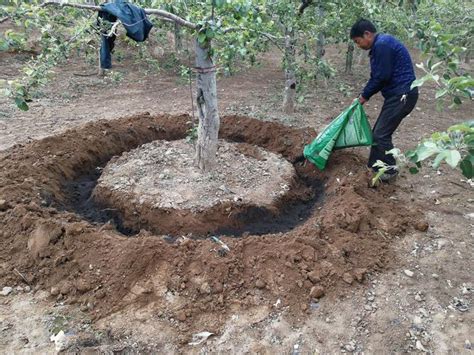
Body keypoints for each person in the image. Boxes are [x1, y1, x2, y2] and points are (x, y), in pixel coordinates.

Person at [350, 19, 418, 182]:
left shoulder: (382, 45)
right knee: (379, 133)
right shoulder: (382, 44)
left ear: (367, 34)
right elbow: (379, 76)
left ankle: (388, 172)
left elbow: (381, 77)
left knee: (381, 135)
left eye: (357, 41)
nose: (358, 45)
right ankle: (374, 168)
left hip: (403, 95)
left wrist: (364, 96)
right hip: (398, 95)